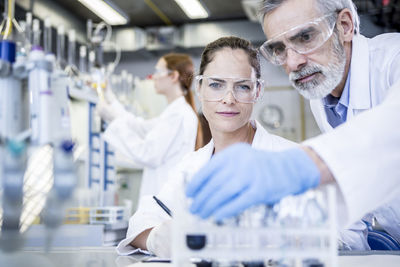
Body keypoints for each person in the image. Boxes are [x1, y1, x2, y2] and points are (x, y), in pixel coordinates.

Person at [186, 0, 400, 248]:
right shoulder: (322, 95)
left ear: (344, 25)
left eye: (306, 37)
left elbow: (391, 126)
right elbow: (360, 180)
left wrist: (295, 166)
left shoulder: (393, 60)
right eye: (279, 49)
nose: (293, 62)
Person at [115, 36, 297, 257]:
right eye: (216, 85)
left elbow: (344, 233)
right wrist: (158, 238)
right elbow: (141, 222)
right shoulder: (191, 165)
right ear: (200, 88)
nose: (228, 99)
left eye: (242, 86)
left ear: (257, 92)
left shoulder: (292, 157)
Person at [97, 53, 206, 199]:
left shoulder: (178, 115)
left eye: (158, 72)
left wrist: (114, 121)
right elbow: (140, 127)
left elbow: (148, 154)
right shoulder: (174, 113)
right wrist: (109, 97)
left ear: (173, 76)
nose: (153, 77)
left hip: (164, 204)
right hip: (164, 202)